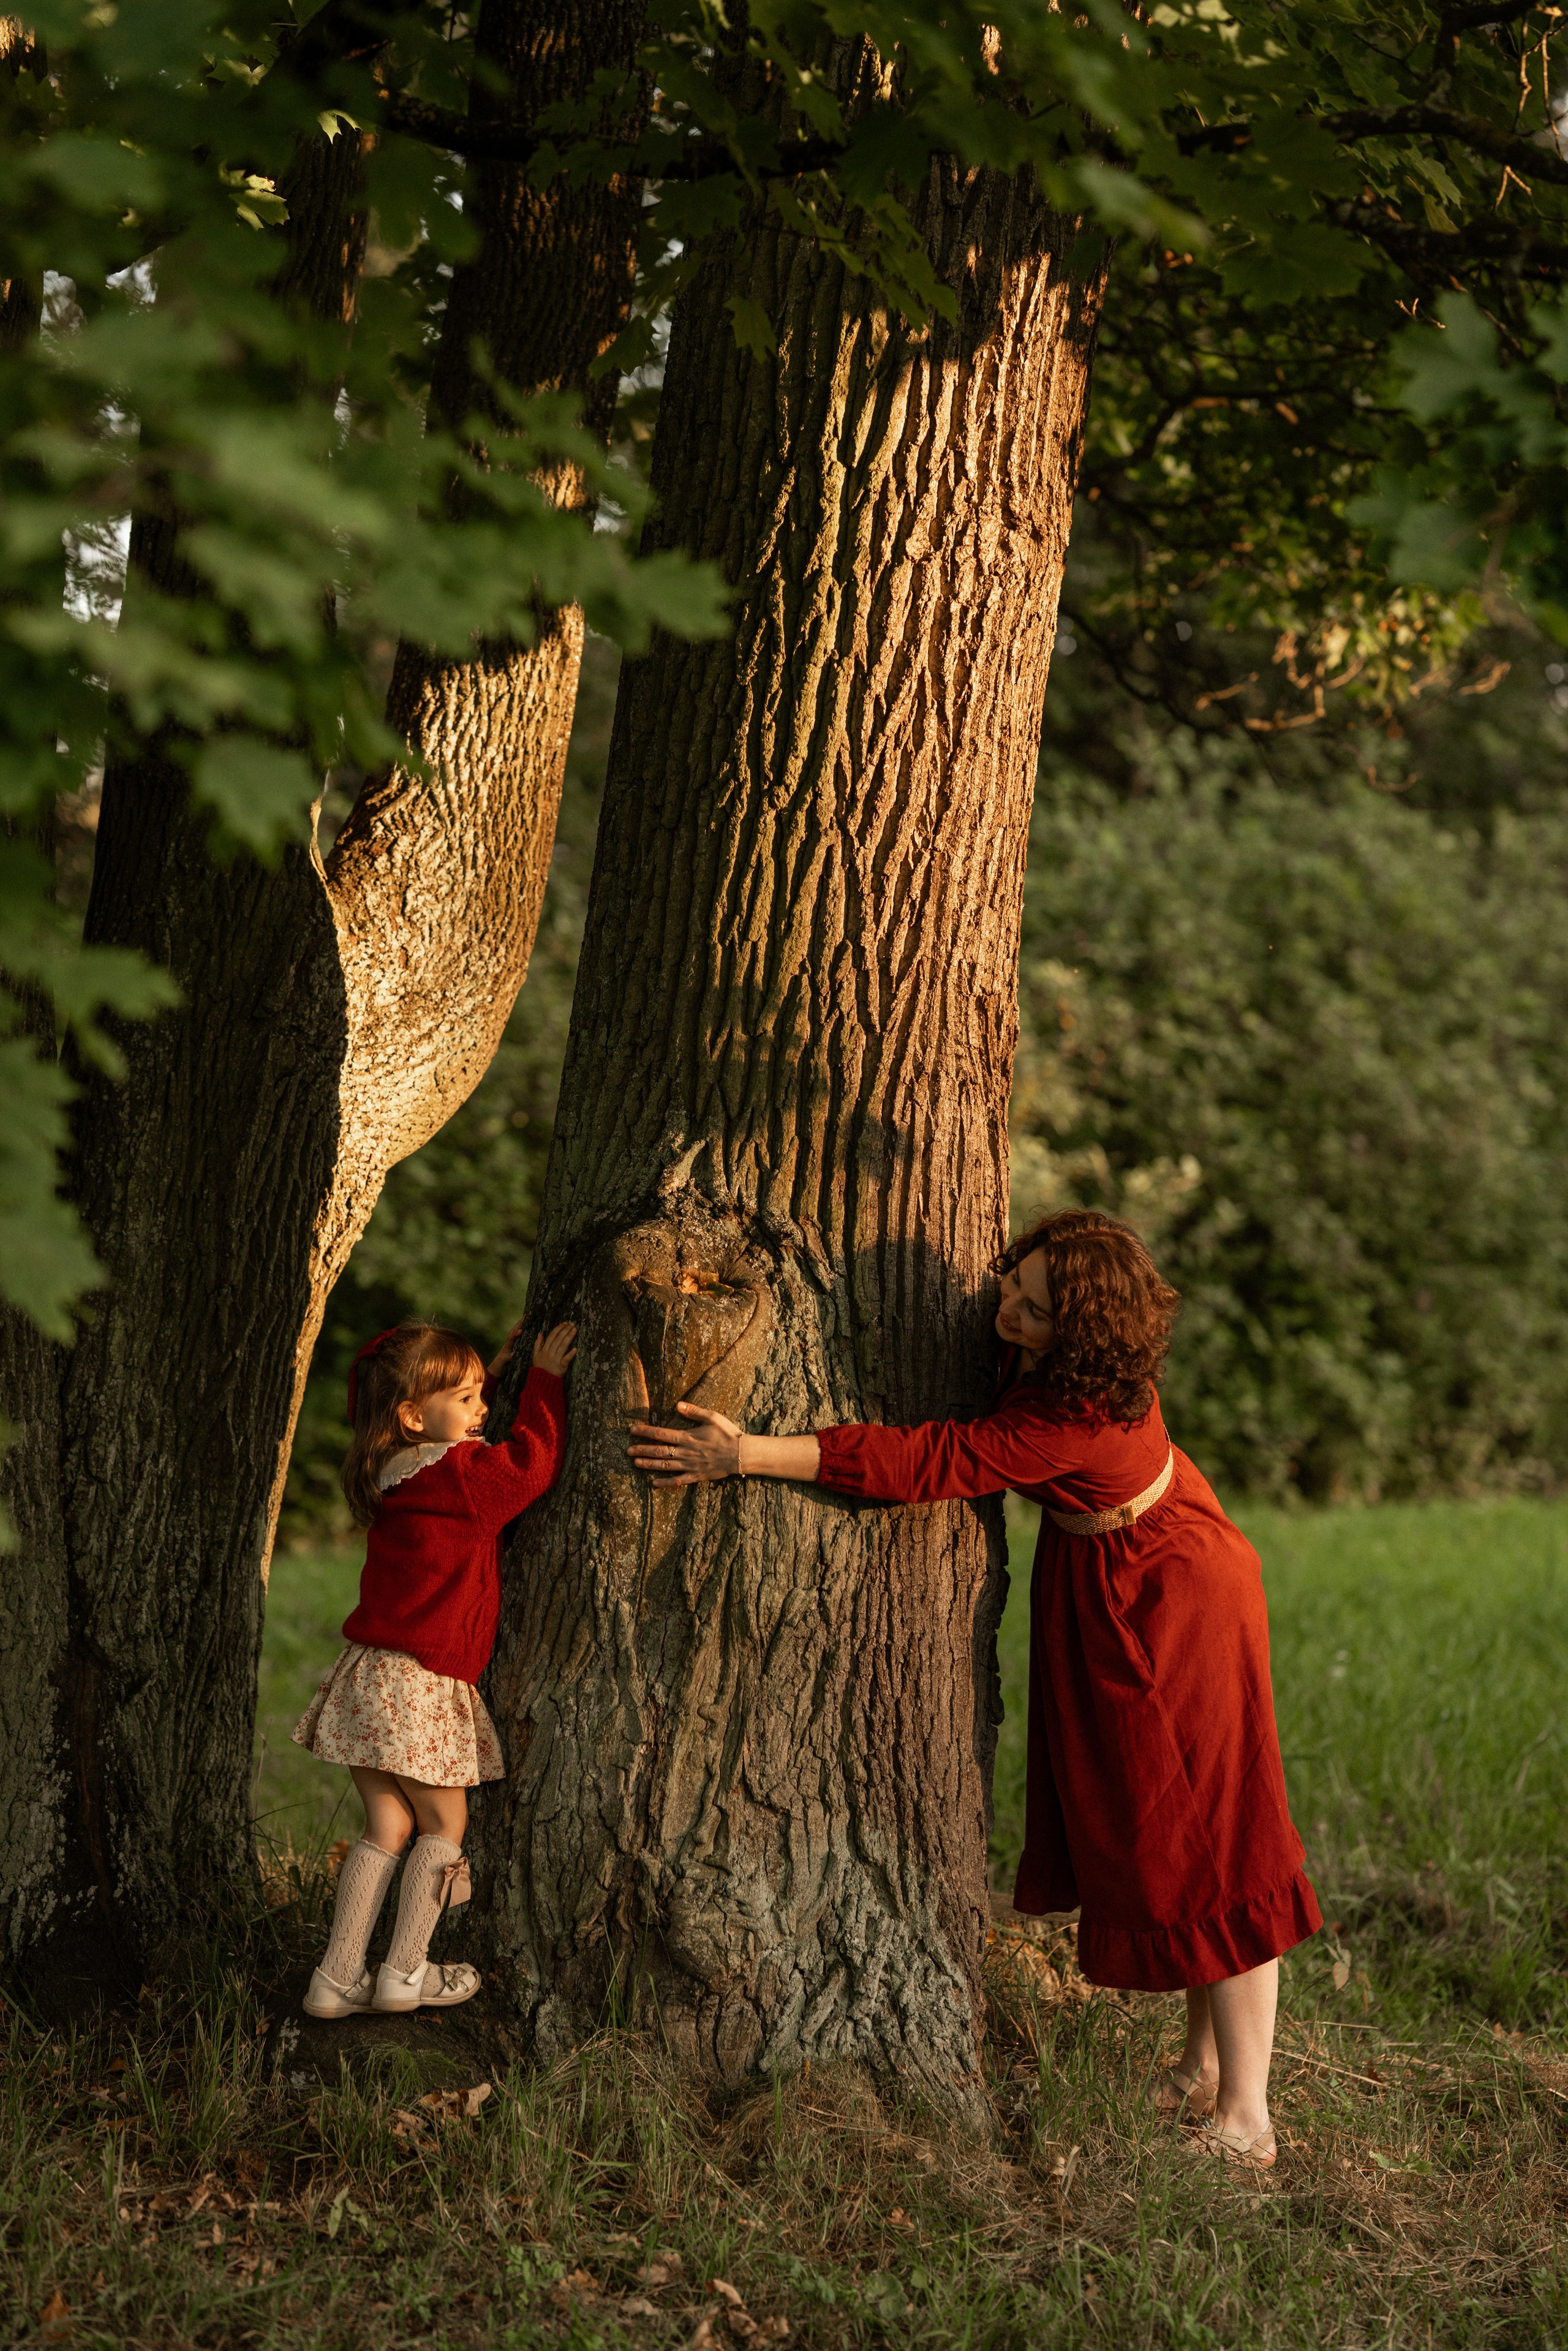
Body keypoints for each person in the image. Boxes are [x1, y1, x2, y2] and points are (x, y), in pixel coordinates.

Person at [627, 1209, 1317, 2168]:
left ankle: (1248, 2119)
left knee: (1213, 1843)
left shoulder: (1069, 1413)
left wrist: (747, 1453)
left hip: (1169, 1603)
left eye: (1032, 1310)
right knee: (1179, 1837)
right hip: (1136, 1572)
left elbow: (929, 1462)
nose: (1003, 1310)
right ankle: (1205, 2069)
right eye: (1011, 1284)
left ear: (1078, 1331)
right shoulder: (1082, 1369)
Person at [293, 1312, 576, 2020]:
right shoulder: (464, 1476)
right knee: (444, 1827)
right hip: (420, 1682)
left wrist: (492, 1378)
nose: (484, 1411)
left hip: (367, 1677)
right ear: (416, 1415)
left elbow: (451, 1435)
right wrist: (541, 1383)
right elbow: (531, 1467)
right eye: (469, 1399)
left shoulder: (393, 1470)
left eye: (485, 1394)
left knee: (384, 1828)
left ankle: (335, 1978)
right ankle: (404, 1973)